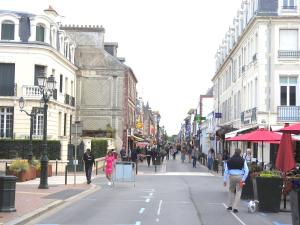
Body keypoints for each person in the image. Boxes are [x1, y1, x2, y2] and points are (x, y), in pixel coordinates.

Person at [223, 148, 249, 213]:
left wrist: (225, 180)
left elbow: (226, 171)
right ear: (240, 153)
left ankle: (229, 206)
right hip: (240, 177)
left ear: (234, 152)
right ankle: (235, 208)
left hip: (232, 176)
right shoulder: (243, 160)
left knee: (231, 190)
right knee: (238, 192)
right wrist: (243, 179)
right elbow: (247, 170)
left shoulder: (229, 160)